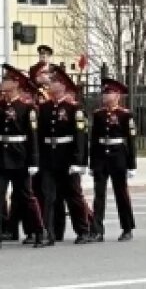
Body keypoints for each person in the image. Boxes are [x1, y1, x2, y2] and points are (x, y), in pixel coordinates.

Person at [0, 66, 47, 249]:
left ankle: (39, 231)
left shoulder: (26, 108)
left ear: (16, 83)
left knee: (26, 196)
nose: (3, 82)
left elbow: (33, 136)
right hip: (0, 155)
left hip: (19, 156)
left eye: (7, 79)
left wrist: (34, 161)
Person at [37, 66, 94, 245]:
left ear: (62, 85)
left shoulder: (73, 109)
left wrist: (79, 161)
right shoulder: (44, 108)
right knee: (48, 196)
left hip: (67, 156)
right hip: (48, 156)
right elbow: (39, 135)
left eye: (53, 81)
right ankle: (50, 232)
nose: (50, 84)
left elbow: (80, 137)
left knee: (73, 195)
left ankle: (82, 230)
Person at [89, 79, 138, 242]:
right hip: (101, 157)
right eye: (104, 93)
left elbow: (131, 140)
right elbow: (94, 139)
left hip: (118, 156)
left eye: (108, 93)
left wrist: (132, 165)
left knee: (121, 193)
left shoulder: (125, 115)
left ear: (117, 95)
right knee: (99, 195)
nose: (105, 96)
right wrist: (92, 162)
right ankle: (97, 230)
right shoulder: (98, 114)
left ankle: (127, 228)